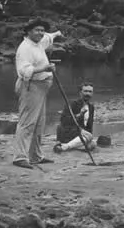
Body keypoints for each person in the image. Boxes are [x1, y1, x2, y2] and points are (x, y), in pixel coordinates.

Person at [12, 19, 63, 169]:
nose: (40, 33)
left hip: (41, 87)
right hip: (30, 86)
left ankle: (36, 156)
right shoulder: (25, 48)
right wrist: (44, 69)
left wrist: (57, 33)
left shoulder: (40, 42)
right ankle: (19, 157)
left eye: (42, 30)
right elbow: (23, 70)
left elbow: (49, 37)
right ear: (29, 31)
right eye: (37, 30)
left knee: (39, 123)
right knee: (27, 122)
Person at [53, 82, 96, 154]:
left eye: (90, 92)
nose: (87, 94)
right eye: (85, 91)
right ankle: (65, 147)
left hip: (80, 135)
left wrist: (89, 137)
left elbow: (89, 126)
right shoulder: (72, 104)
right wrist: (79, 115)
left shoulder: (91, 107)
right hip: (67, 132)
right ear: (80, 93)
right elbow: (63, 121)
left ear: (92, 93)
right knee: (89, 138)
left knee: (92, 144)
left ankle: (65, 146)